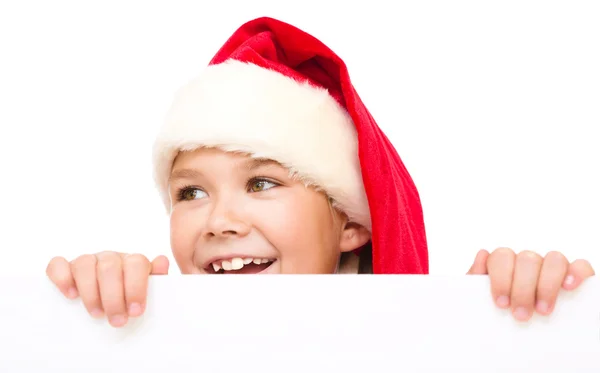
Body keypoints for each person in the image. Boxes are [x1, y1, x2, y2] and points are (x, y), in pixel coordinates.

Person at [45, 17, 594, 328]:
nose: (219, 220)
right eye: (190, 191)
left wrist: (510, 323)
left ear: (351, 222)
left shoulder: (424, 338)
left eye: (262, 182)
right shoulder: (148, 327)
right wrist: (91, 315)